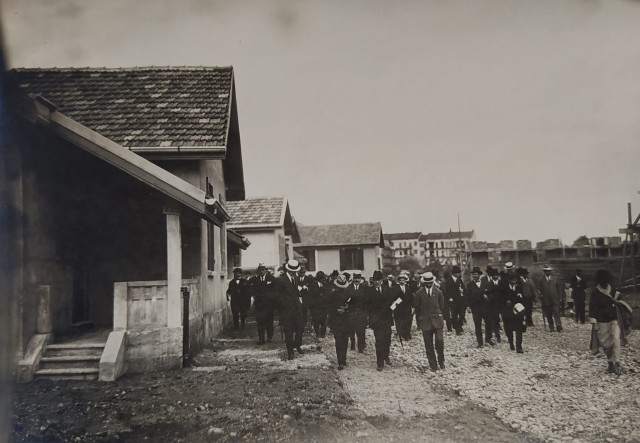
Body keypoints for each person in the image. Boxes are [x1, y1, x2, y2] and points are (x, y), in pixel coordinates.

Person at [588, 269, 624, 375]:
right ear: (599, 282)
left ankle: (617, 364)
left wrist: (617, 302)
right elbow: (592, 309)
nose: (604, 284)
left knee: (616, 340)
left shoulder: (613, 290)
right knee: (606, 345)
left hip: (614, 319)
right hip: (601, 321)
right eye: (602, 282)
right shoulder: (595, 292)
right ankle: (610, 363)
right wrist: (594, 324)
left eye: (606, 282)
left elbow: (621, 301)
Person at [273, 259, 306, 360]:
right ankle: (290, 352)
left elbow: (296, 292)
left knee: (300, 327)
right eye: (293, 271)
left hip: (297, 309)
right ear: (289, 270)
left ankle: (297, 344)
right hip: (286, 310)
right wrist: (283, 306)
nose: (295, 273)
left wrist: (299, 299)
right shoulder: (281, 280)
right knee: (289, 331)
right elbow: (277, 296)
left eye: (296, 271)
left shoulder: (295, 278)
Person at [414, 272, 446, 372]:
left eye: (430, 282)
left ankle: (441, 360)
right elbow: (417, 309)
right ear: (424, 282)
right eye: (426, 282)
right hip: (425, 322)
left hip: (437, 321)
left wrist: (439, 316)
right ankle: (433, 365)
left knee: (439, 341)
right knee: (428, 345)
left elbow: (442, 306)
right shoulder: (419, 293)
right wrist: (419, 323)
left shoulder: (438, 292)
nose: (428, 284)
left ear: (433, 281)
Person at [367, 271, 396, 371]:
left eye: (379, 280)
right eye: (375, 280)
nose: (377, 282)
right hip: (376, 321)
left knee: (387, 340)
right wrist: (369, 318)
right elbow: (366, 306)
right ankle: (380, 363)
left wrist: (392, 308)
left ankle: (385, 356)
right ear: (373, 281)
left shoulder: (387, 289)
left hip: (387, 319)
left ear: (382, 281)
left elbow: (398, 300)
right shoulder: (369, 291)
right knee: (379, 341)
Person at [327, 275, 353, 370]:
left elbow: (353, 306)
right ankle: (340, 361)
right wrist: (336, 311)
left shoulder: (349, 294)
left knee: (345, 341)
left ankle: (344, 359)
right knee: (338, 341)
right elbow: (329, 309)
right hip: (337, 321)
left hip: (346, 321)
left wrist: (346, 309)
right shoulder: (332, 295)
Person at [464, 267, 494, 348]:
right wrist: (468, 306)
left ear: (479, 275)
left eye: (476, 274)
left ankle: (488, 339)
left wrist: (487, 296)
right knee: (477, 325)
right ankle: (480, 342)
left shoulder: (486, 283)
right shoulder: (469, 285)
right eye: (473, 274)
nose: (474, 276)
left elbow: (491, 294)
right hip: (475, 308)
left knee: (488, 323)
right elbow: (466, 297)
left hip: (485, 307)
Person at [249, 263, 276, 344]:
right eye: (260, 270)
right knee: (260, 321)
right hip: (259, 304)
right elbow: (250, 288)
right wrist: (253, 296)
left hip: (269, 304)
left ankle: (269, 337)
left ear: (265, 270)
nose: (262, 271)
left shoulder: (271, 278)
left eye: (263, 270)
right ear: (258, 271)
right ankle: (261, 338)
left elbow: (275, 289)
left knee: (269, 321)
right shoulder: (254, 279)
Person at [500, 273, 527, 353]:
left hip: (518, 312)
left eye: (514, 279)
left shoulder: (519, 288)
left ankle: (519, 347)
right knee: (509, 330)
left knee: (519, 329)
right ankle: (511, 343)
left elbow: (523, 299)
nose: (513, 281)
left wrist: (521, 303)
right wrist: (505, 302)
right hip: (507, 313)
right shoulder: (504, 288)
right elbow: (500, 300)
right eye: (511, 279)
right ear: (509, 280)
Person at [345, 271, 368, 352]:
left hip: (361, 312)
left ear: (360, 279)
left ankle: (361, 346)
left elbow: (366, 301)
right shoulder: (349, 288)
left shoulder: (364, 288)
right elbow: (345, 299)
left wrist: (365, 313)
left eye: (358, 278)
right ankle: (353, 344)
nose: (357, 280)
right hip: (351, 312)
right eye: (355, 278)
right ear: (353, 278)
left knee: (361, 330)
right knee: (351, 329)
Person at [539, 265, 563, 332]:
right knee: (549, 314)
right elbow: (540, 289)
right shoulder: (542, 280)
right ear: (544, 272)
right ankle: (551, 327)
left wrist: (560, 297)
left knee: (556, 313)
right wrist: (540, 295)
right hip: (546, 300)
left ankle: (558, 325)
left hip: (555, 299)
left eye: (549, 271)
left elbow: (559, 289)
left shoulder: (555, 279)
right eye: (546, 271)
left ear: (550, 272)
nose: (547, 272)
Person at [444, 265, 466, 335]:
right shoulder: (448, 281)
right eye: (458, 273)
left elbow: (463, 288)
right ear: (454, 273)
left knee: (462, 315)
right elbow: (446, 291)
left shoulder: (459, 280)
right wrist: (449, 298)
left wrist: (463, 291)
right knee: (454, 315)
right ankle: (458, 329)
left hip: (461, 300)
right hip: (453, 301)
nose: (459, 274)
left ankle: (458, 325)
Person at [392, 272, 414, 340]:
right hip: (399, 308)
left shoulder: (408, 287)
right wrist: (393, 308)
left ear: (405, 280)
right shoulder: (395, 288)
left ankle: (407, 334)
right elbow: (393, 298)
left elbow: (411, 298)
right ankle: (400, 334)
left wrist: (413, 307)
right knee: (399, 321)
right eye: (401, 280)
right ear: (399, 281)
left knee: (408, 321)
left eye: (403, 280)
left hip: (407, 307)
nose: (402, 281)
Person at [308, 271, 329, 338]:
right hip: (316, 306)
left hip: (323, 305)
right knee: (316, 320)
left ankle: (322, 333)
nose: (323, 280)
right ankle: (317, 333)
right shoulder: (313, 285)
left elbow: (327, 295)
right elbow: (312, 295)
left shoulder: (325, 285)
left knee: (323, 320)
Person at [485, 267, 503, 343]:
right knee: (493, 320)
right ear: (492, 276)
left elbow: (504, 294)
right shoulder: (489, 284)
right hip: (491, 305)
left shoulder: (501, 283)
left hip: (499, 304)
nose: (495, 276)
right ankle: (495, 335)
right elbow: (487, 294)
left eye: (496, 275)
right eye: (493, 275)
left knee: (497, 320)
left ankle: (497, 334)